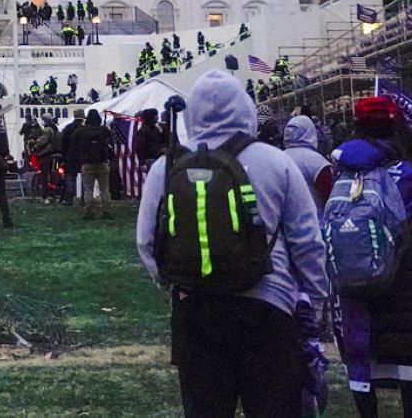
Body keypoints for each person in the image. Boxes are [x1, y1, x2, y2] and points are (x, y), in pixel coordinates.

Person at [135, 69, 328, 418]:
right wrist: (313, 302)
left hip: (195, 309)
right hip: (268, 306)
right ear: (245, 109)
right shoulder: (275, 161)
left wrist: (172, 283)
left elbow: (147, 240)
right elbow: (307, 241)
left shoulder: (167, 166)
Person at [330, 98, 412, 417]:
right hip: (402, 279)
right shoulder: (406, 172)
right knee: (406, 362)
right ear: (394, 125)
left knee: (361, 358)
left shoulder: (343, 169)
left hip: (353, 280)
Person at [283, 116, 333, 212]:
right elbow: (329, 196)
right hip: (315, 220)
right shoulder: (317, 161)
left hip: (285, 222)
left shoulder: (278, 158)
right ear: (310, 132)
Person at [75, 109, 114, 220]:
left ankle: (89, 211)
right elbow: (111, 140)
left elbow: (75, 141)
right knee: (104, 189)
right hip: (102, 162)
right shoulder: (103, 129)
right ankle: (106, 210)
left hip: (87, 163)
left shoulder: (83, 131)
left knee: (88, 189)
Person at [59, 109, 85, 206]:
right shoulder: (84, 129)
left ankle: (69, 199)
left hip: (70, 156)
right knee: (84, 178)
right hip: (82, 156)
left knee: (70, 178)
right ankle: (84, 198)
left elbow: (63, 144)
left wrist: (63, 157)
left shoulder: (68, 128)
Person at [133, 109, 166, 174]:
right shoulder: (143, 130)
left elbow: (161, 141)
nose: (158, 117)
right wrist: (142, 163)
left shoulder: (156, 129)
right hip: (150, 159)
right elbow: (139, 148)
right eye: (156, 115)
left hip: (158, 157)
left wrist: (164, 130)